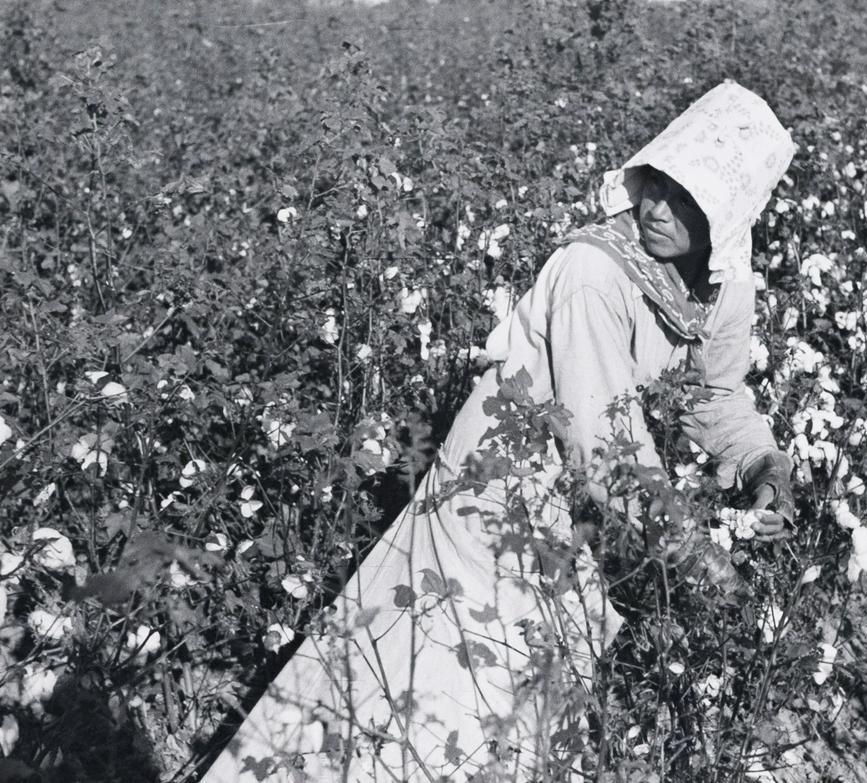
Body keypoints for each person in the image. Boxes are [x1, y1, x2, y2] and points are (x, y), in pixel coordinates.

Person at [201, 79, 796, 783]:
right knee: (428, 705)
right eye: (655, 182)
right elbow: (607, 453)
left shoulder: (722, 283)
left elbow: (716, 393)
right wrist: (699, 557)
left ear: (726, 213)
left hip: (567, 517)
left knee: (508, 721)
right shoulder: (594, 272)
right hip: (492, 499)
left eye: (685, 197)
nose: (655, 207)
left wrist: (764, 463)